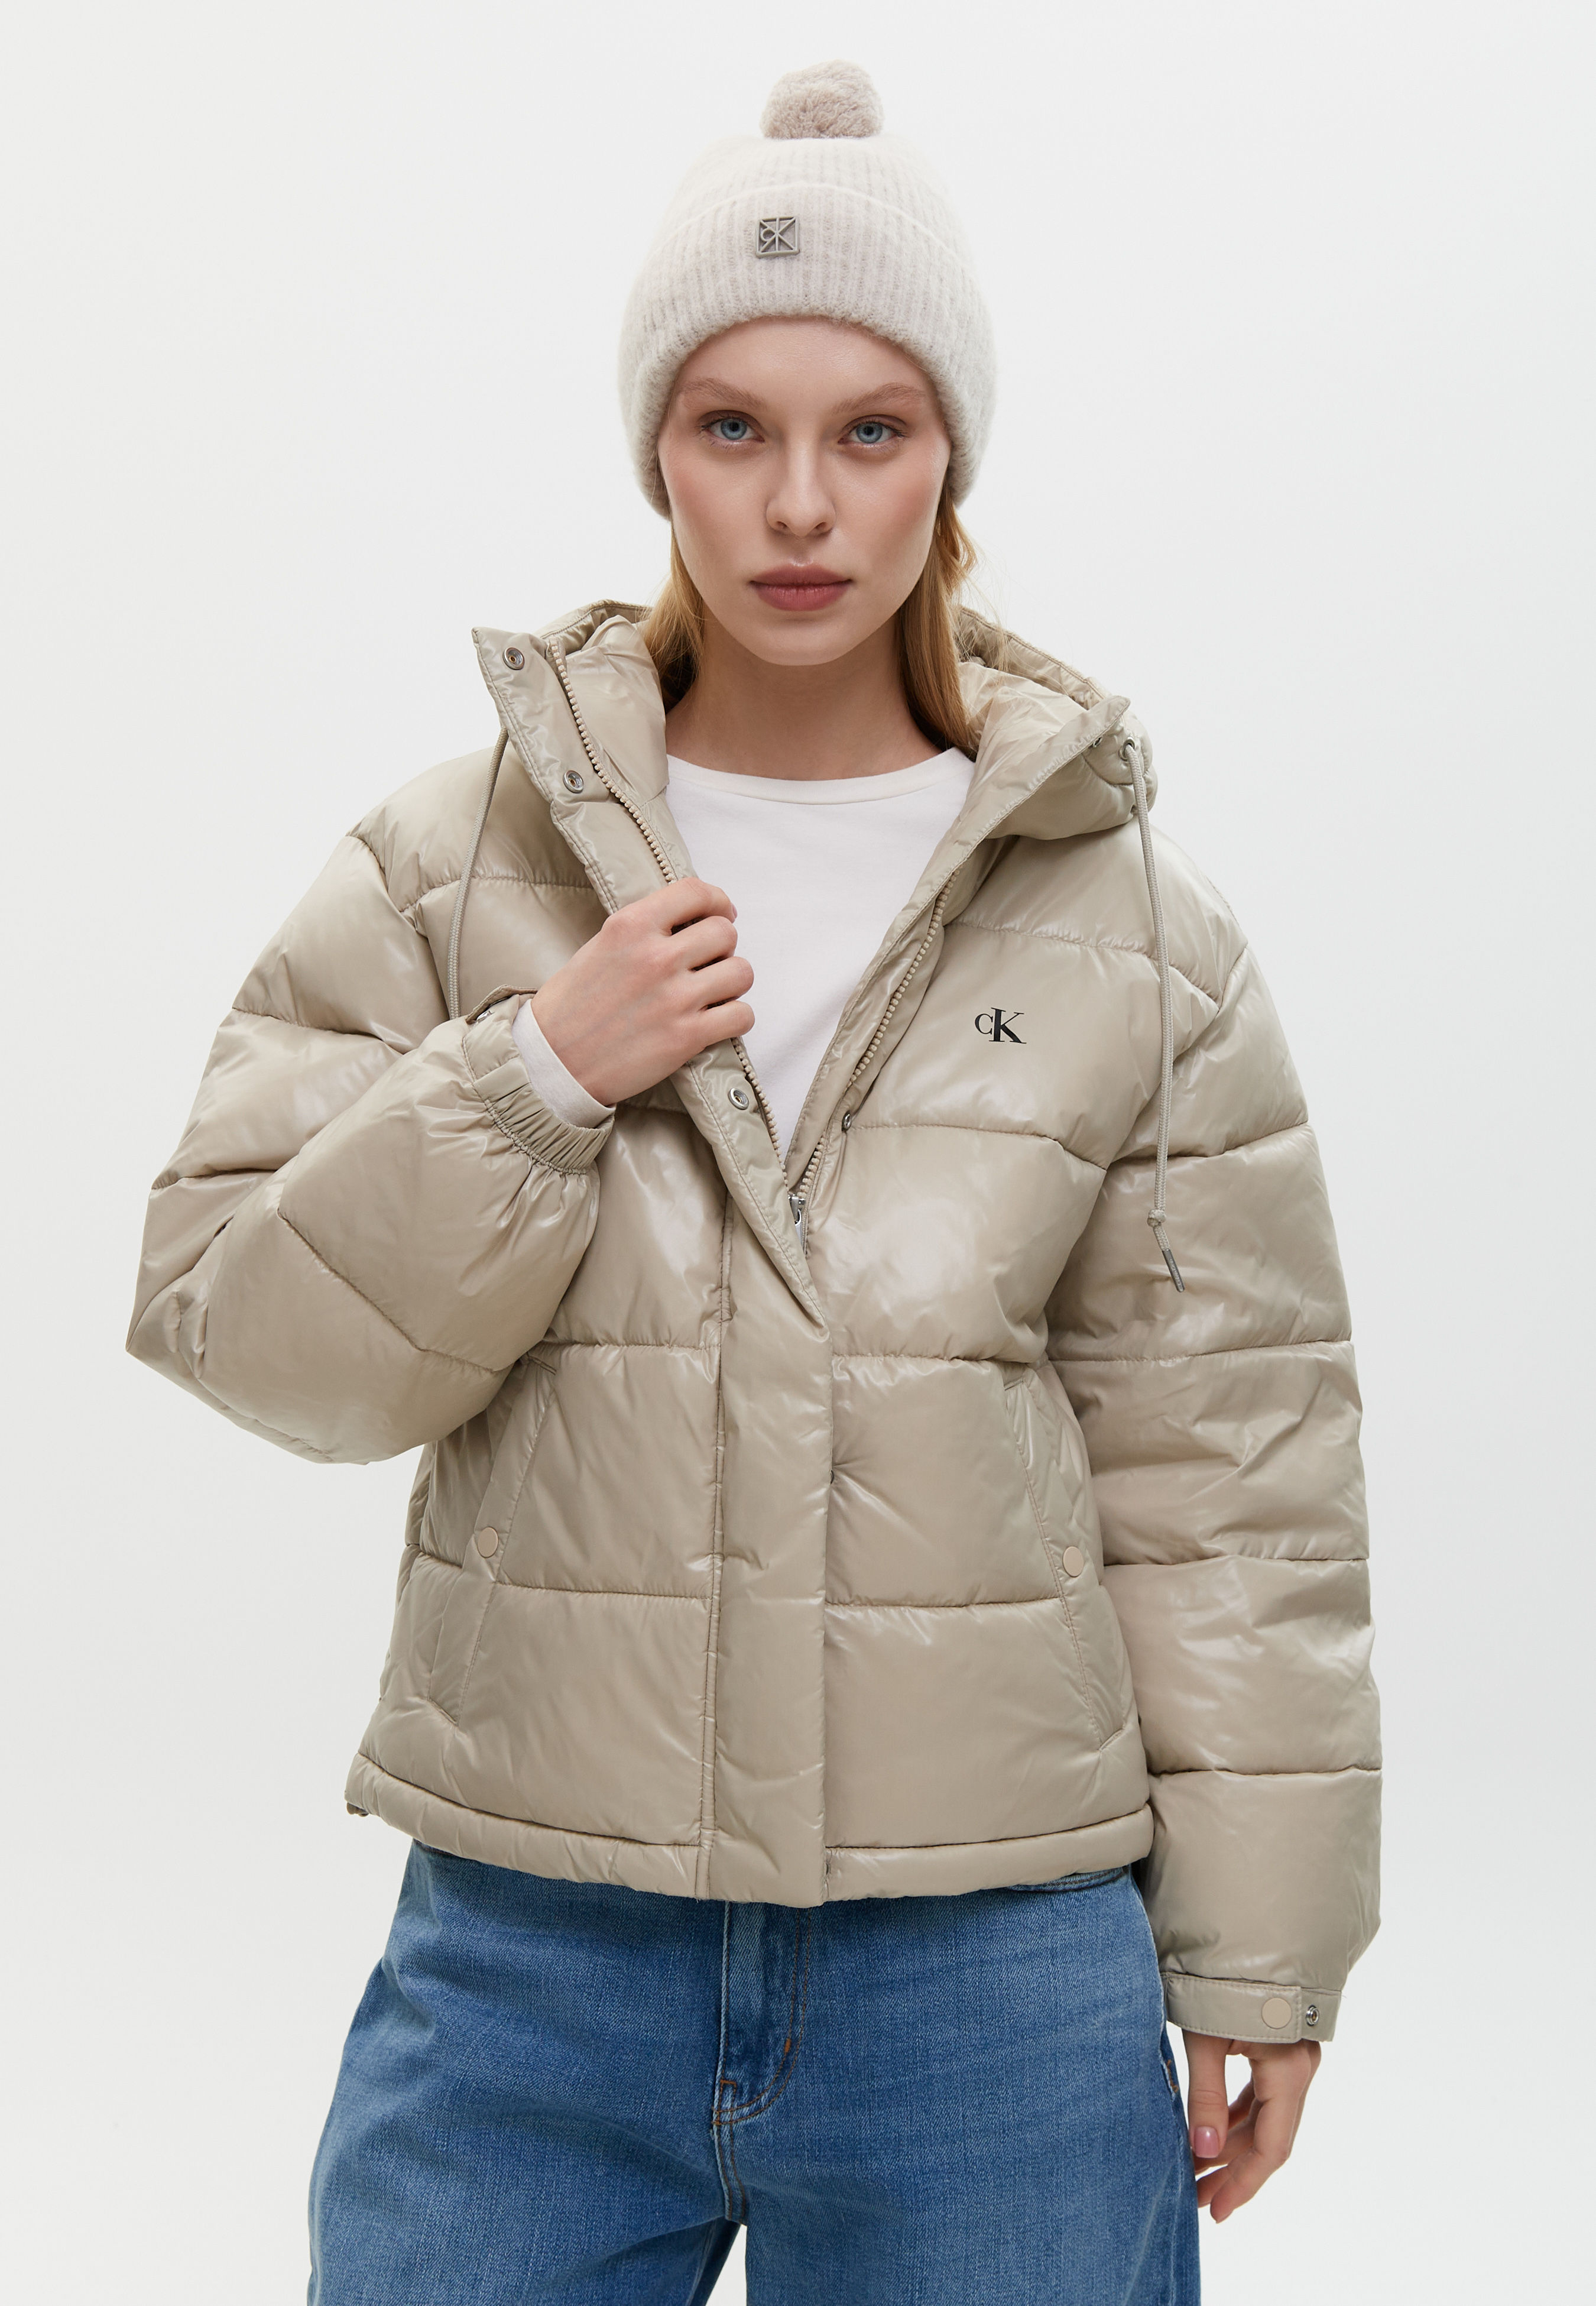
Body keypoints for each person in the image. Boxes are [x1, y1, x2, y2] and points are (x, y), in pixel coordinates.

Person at [127, 59, 1379, 2306]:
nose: (800, 503)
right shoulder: (452, 866)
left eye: (868, 429)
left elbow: (1231, 1478)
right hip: (530, 1947)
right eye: (733, 425)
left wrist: (1260, 1950)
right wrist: (533, 1074)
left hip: (992, 1969)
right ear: (657, 452)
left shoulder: (1129, 925)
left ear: (947, 457)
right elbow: (244, 1328)